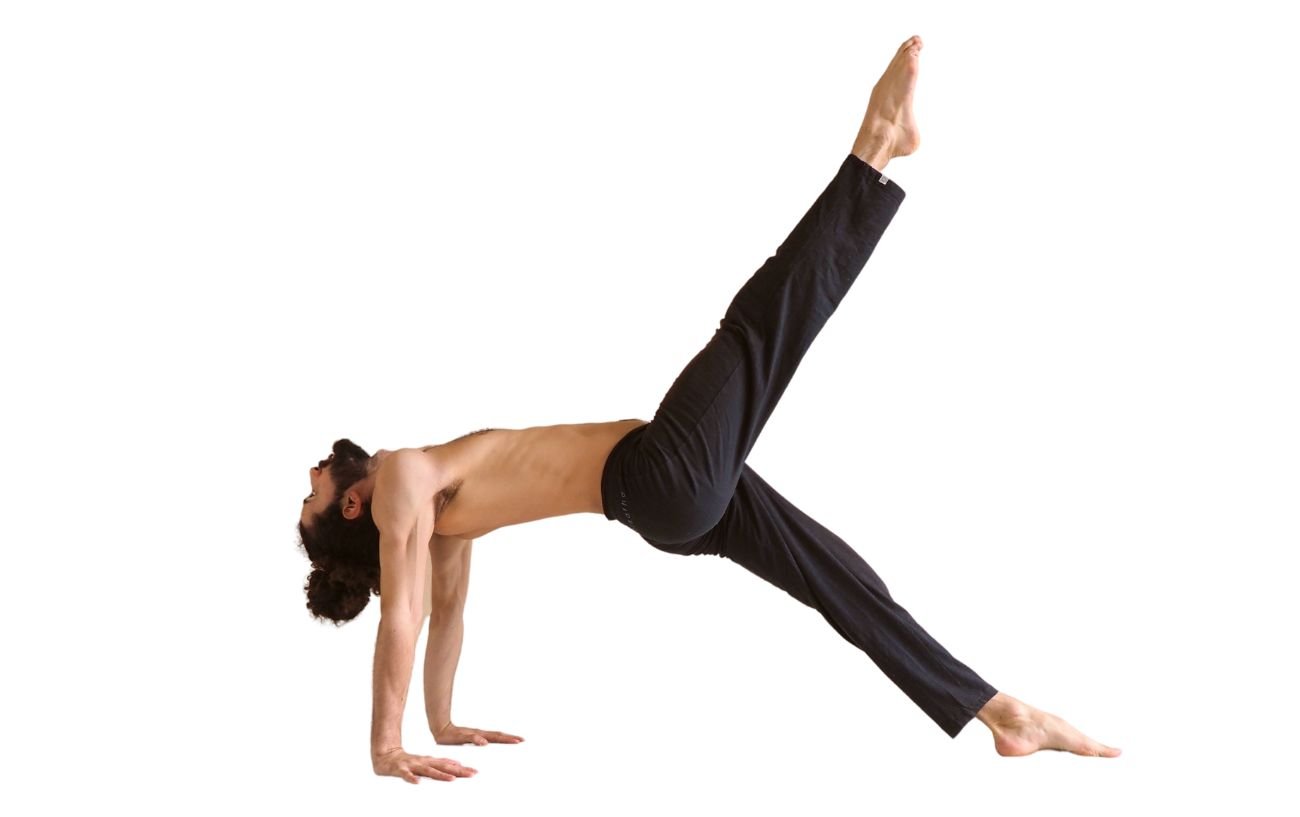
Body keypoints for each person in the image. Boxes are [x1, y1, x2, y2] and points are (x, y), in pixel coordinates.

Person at [295, 35, 1122, 784]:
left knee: (839, 577)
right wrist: (384, 744)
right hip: (658, 474)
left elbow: (445, 623)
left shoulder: (442, 524)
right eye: (313, 495)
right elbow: (403, 615)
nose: (311, 475)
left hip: (676, 503)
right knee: (758, 325)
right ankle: (875, 147)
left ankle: (996, 711)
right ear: (355, 504)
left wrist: (440, 720)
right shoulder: (403, 478)